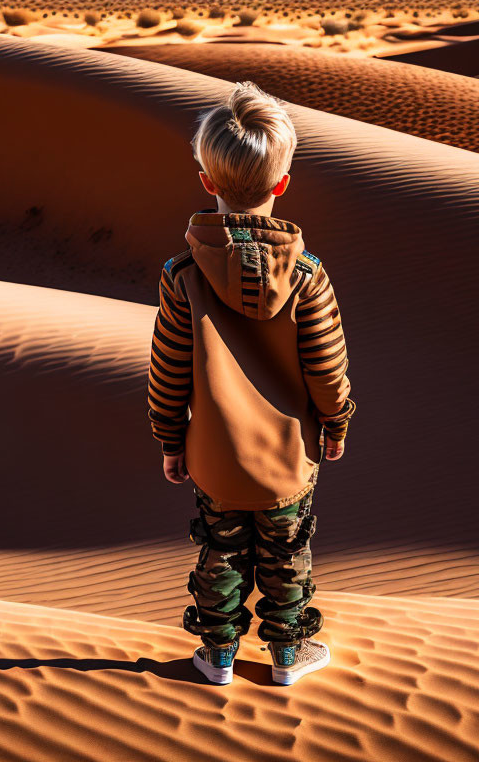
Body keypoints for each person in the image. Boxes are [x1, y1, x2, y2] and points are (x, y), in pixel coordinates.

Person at [147, 81, 356, 686]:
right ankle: (287, 657)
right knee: (287, 554)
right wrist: (336, 424)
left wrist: (169, 439)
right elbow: (327, 365)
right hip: (288, 457)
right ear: (283, 183)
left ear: (207, 181)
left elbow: (169, 365)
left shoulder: (181, 274)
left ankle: (218, 657)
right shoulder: (308, 276)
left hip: (214, 455)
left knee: (221, 551)